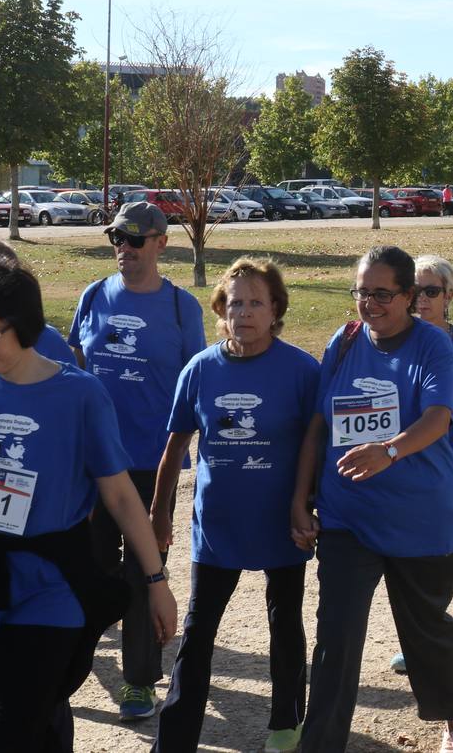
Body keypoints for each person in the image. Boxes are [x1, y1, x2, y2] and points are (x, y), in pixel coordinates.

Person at [0, 257, 178, 751]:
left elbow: (118, 494)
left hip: (51, 583)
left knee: (13, 726)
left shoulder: (80, 395)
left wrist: (156, 581)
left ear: (24, 325)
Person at [291, 246, 453, 753]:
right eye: (362, 292)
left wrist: (389, 450)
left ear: (409, 296)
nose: (369, 303)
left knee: (425, 637)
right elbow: (318, 426)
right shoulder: (344, 343)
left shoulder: (434, 346)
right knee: (337, 639)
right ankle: (320, 744)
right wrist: (299, 500)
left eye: (382, 294)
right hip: (349, 519)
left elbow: (438, 418)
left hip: (420, 523)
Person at [148, 259, 318, 753]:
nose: (244, 312)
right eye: (235, 302)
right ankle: (175, 739)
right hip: (217, 526)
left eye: (256, 302)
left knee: (284, 623)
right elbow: (175, 448)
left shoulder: (302, 371)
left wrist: (308, 508)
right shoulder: (200, 369)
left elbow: (318, 448)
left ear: (275, 310)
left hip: (280, 523)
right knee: (198, 633)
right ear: (222, 309)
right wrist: (161, 515)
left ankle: (286, 724)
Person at [68, 201, 205, 721]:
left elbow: (193, 388)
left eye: (133, 239)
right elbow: (74, 366)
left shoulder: (180, 308)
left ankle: (140, 682)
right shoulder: (93, 295)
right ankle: (71, 664)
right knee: (91, 566)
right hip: (95, 461)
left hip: (153, 460)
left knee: (145, 570)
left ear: (160, 243)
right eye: (115, 239)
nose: (123, 248)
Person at [389, 256, 453, 664]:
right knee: (411, 554)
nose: (422, 300)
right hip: (406, 465)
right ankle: (418, 637)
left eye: (431, 291)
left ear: (449, 295)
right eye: (416, 291)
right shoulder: (396, 342)